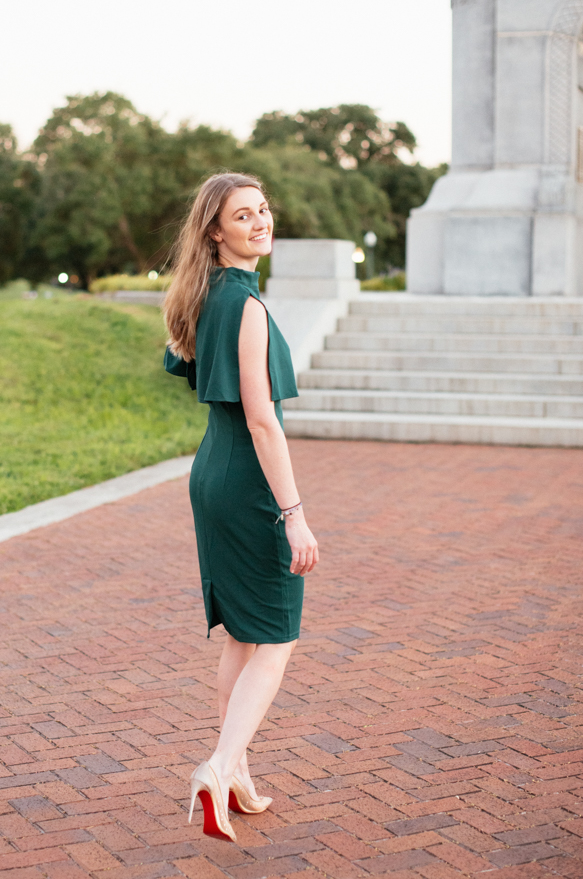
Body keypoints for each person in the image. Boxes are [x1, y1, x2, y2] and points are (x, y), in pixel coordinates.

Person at [162, 172, 318, 843]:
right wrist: (294, 513)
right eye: (241, 215)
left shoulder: (207, 296)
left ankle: (239, 776)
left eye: (262, 210)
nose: (259, 222)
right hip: (247, 483)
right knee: (277, 637)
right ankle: (219, 767)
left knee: (241, 636)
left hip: (211, 475)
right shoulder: (246, 307)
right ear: (215, 231)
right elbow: (262, 422)